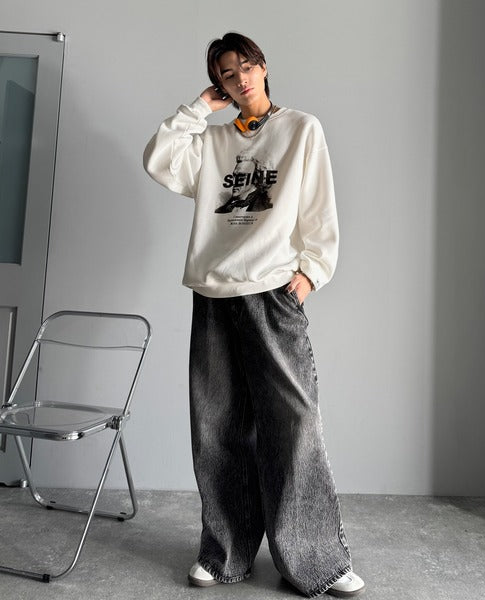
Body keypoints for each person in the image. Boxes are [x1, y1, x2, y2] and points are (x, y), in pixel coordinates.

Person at [143, 32, 365, 598]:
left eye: (245, 66)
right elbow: (159, 161)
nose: (239, 79)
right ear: (218, 84)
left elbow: (319, 207)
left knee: (294, 423)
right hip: (215, 294)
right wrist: (198, 108)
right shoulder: (213, 142)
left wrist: (311, 272)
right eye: (226, 74)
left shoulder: (301, 129)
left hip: (273, 291)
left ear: (263, 66)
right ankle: (224, 553)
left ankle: (316, 560)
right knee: (217, 426)